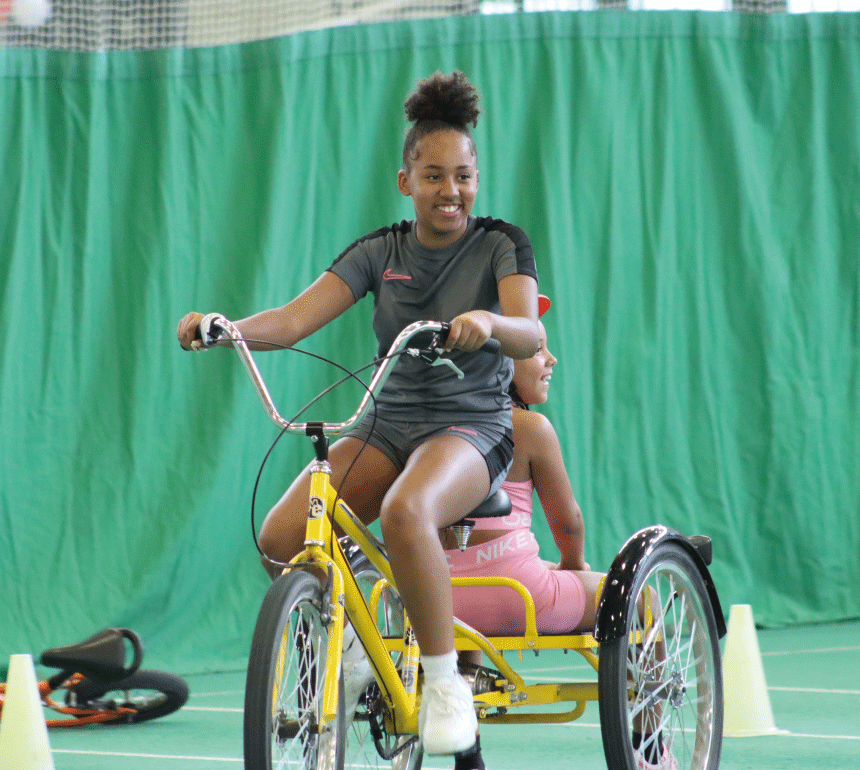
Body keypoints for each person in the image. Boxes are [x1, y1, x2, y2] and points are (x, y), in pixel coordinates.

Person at [176, 70, 541, 756]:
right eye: (433, 176)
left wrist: (486, 323)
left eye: (463, 176)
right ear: (406, 181)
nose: (450, 191)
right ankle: (354, 639)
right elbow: (289, 322)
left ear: (477, 177)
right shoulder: (381, 250)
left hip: (472, 428)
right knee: (285, 535)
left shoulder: (501, 244)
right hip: (387, 422)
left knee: (406, 512)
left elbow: (530, 333)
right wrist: (222, 326)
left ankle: (443, 686)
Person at [442, 298, 674, 770]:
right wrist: (572, 566)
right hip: (522, 595)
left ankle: (469, 755)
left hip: (442, 599)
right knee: (642, 600)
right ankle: (650, 748)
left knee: (467, 614)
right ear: (499, 364)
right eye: (537, 348)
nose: (550, 359)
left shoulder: (432, 428)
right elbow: (568, 523)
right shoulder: (530, 428)